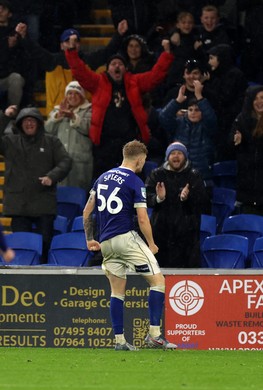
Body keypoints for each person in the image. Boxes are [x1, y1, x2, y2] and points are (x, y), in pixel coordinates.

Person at [83, 140, 177, 351]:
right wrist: (151, 244)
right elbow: (142, 219)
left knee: (117, 292)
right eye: (143, 161)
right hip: (126, 238)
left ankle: (119, 341)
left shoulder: (102, 178)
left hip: (106, 242)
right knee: (158, 281)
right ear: (140, 159)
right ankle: (154, 335)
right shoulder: (134, 181)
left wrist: (89, 238)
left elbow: (87, 212)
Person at [65, 36, 174, 180]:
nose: (117, 66)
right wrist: (72, 51)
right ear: (108, 68)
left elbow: (155, 76)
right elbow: (79, 71)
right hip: (104, 144)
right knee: (103, 183)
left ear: (125, 68)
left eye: (120, 64)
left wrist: (167, 55)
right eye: (113, 64)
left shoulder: (134, 81)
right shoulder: (98, 82)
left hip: (130, 144)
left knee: (133, 183)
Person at [0, 105, 72, 263]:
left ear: (39, 123)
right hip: (18, 206)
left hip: (43, 203)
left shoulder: (51, 141)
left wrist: (52, 176)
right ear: (19, 124)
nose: (29, 124)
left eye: (32, 120)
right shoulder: (10, 142)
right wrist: (5, 116)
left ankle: (44, 278)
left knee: (45, 244)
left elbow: (65, 161)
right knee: (20, 246)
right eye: (25, 121)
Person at [17, 19, 128, 114]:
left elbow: (107, 52)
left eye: (76, 41)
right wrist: (24, 37)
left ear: (80, 45)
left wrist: (119, 34)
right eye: (67, 41)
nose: (72, 43)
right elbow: (34, 50)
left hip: (83, 115)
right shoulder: (52, 61)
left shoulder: (88, 61)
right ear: (61, 45)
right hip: (57, 115)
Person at [145, 141, 209, 268]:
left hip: (187, 239)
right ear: (167, 157)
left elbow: (204, 202)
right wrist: (158, 198)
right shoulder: (157, 175)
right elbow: (145, 198)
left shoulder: (194, 175)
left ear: (185, 156)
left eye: (179, 153)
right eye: (173, 153)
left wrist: (187, 198)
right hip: (161, 236)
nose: (176, 156)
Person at [158, 79, 217, 189]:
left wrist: (199, 96)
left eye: (197, 110)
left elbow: (211, 117)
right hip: (178, 173)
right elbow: (163, 117)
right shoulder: (179, 124)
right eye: (190, 110)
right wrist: (177, 101)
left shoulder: (207, 126)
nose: (193, 112)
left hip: (201, 175)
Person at [45, 80, 93, 192]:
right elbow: (47, 130)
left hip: (81, 164)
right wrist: (59, 115)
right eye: (70, 93)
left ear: (82, 96)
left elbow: (88, 129)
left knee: (79, 196)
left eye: (76, 93)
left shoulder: (89, 110)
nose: (73, 96)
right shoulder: (57, 110)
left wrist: (73, 116)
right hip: (59, 162)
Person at [206, 43, 247, 160]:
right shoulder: (217, 75)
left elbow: (223, 99)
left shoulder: (234, 75)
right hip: (222, 123)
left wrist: (205, 87)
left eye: (212, 58)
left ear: (222, 58)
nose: (209, 62)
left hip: (230, 124)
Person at [229, 85, 263, 215]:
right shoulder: (241, 120)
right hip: (248, 188)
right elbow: (229, 147)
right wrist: (236, 141)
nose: (260, 102)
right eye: (256, 98)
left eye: (262, 98)